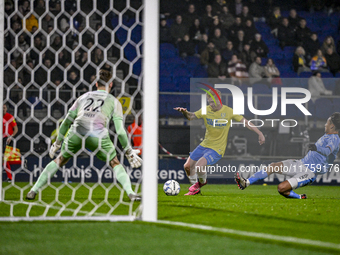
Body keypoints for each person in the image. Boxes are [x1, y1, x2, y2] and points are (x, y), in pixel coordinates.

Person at [26, 69, 142, 201]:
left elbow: (66, 122)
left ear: (96, 84)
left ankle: (33, 190)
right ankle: (131, 193)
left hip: (77, 131)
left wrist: (58, 142)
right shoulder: (114, 102)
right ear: (111, 85)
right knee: (115, 162)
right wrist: (128, 151)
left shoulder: (83, 97)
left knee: (60, 159)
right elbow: (120, 131)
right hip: (97, 136)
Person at [174, 89, 265, 195]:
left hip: (217, 148)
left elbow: (246, 122)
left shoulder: (228, 111)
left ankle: (201, 183)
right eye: (209, 102)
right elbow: (191, 116)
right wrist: (185, 113)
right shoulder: (206, 110)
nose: (211, 104)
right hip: (204, 145)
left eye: (213, 101)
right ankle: (196, 189)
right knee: (187, 167)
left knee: (199, 166)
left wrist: (260, 133)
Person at [236, 112, 340, 199]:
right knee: (273, 166)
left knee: (281, 188)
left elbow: (327, 151)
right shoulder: (327, 135)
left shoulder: (334, 139)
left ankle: (299, 197)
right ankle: (246, 182)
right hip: (301, 163)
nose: (325, 124)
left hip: (309, 172)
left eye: (327, 122)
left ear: (332, 126)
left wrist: (316, 148)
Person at [3, 103, 18, 182]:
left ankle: (10, 177)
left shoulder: (10, 117)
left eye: (4, 108)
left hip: (6, 139)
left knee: (3, 158)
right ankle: (10, 178)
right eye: (2, 108)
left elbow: (16, 129)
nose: (3, 109)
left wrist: (11, 137)